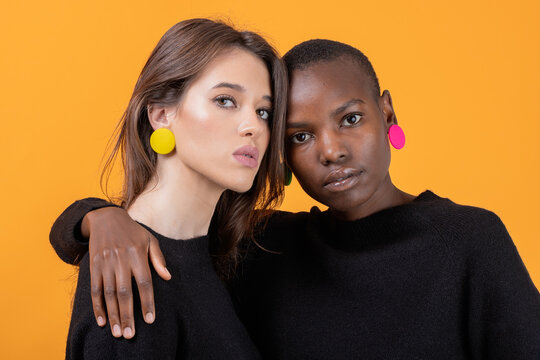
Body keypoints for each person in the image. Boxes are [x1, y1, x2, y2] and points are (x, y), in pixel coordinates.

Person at [51, 39, 540, 359]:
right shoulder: (265, 246)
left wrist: (93, 220)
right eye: (300, 136)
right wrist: (99, 218)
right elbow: (176, 238)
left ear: (387, 112)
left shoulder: (469, 241)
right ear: (279, 154)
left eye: (350, 119)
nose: (331, 151)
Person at [55, 18, 289, 359]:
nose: (253, 126)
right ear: (162, 114)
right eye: (225, 100)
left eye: (264, 111)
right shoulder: (129, 270)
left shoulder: (222, 253)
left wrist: (93, 216)